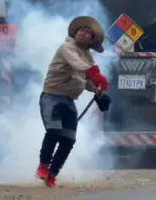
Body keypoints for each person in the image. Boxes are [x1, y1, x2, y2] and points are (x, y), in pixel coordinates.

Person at [35, 16, 112, 188]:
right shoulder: (66, 47)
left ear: (91, 40)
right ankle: (43, 166)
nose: (83, 32)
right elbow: (77, 65)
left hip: (69, 101)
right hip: (51, 98)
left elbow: (86, 81)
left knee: (69, 140)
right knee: (54, 132)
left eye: (88, 32)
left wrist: (99, 92)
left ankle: (52, 175)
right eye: (81, 30)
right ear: (75, 33)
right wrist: (94, 73)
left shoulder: (88, 58)